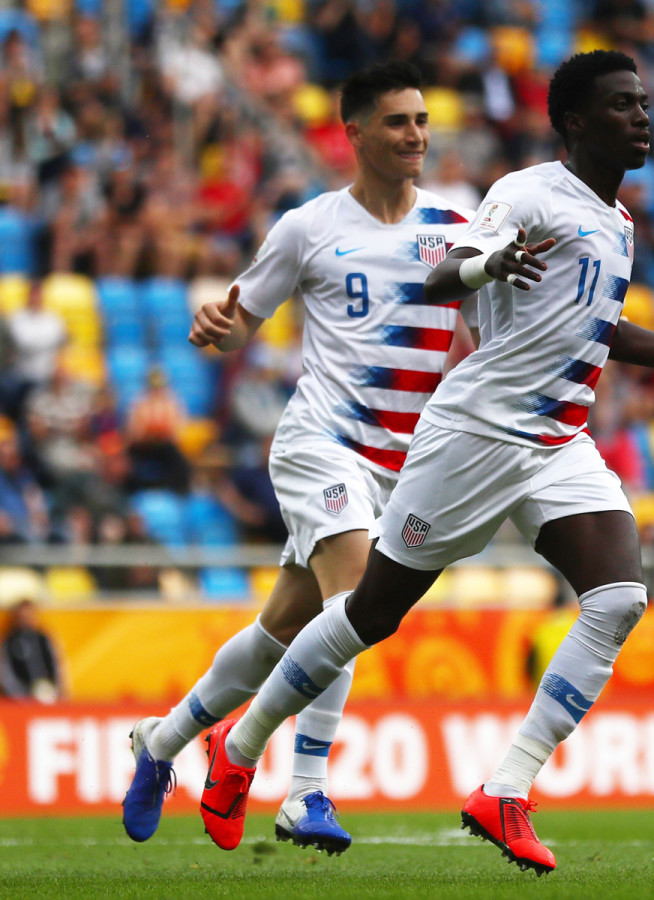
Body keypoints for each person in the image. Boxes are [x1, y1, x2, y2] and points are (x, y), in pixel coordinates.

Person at [197, 49, 654, 872]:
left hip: (558, 440)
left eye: (645, 102)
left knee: (620, 597)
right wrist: (490, 262)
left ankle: (506, 790)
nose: (643, 116)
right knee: (371, 613)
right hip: (476, 434)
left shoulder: (617, 223)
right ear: (576, 122)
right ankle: (242, 748)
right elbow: (446, 274)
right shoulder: (524, 194)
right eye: (624, 104)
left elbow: (599, 329)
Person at [121, 60, 477, 855]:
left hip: (397, 464)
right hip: (320, 442)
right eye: (397, 122)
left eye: (422, 120)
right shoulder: (309, 226)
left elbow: (484, 339)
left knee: (285, 628)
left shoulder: (456, 230)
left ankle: (163, 739)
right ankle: (307, 791)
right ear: (353, 133)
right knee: (352, 604)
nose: (416, 134)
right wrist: (221, 322)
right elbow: (243, 316)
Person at [0, 598, 62, 702]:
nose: (26, 619)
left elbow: (57, 664)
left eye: (29, 615)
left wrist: (57, 689)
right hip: (20, 699)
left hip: (47, 693)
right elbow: (5, 672)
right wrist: (20, 695)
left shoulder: (43, 638)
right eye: (23, 616)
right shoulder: (9, 641)